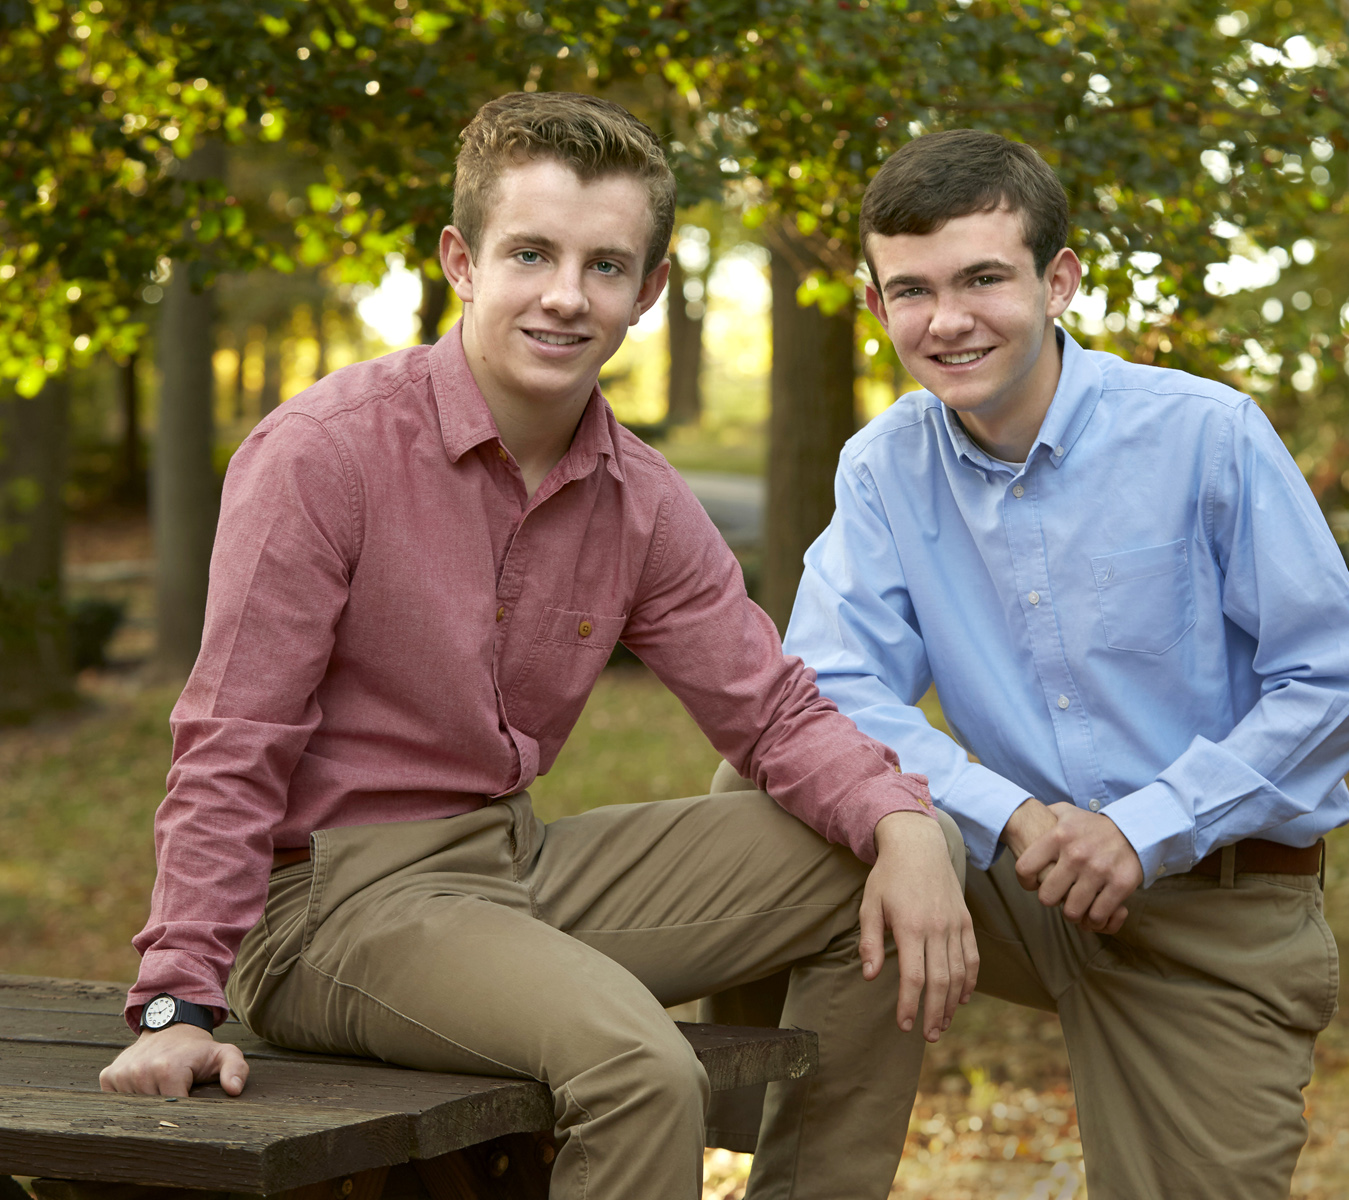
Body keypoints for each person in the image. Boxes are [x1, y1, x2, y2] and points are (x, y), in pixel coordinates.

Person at [99, 93, 979, 1200]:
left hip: (515, 867)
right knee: (640, 1071)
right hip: (330, 909)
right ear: (462, 261)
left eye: (605, 266)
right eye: (531, 253)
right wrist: (178, 1000)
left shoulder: (641, 501)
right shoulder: (324, 457)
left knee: (903, 846)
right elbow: (231, 738)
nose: (567, 295)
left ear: (647, 291)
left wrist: (901, 818)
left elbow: (769, 711)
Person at [774, 129, 1349, 1198]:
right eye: (911, 290)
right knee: (781, 792)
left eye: (981, 279)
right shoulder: (884, 466)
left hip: (1211, 911)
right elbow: (831, 687)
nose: (948, 320)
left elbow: (1335, 682)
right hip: (1015, 882)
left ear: (1057, 280)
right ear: (875, 308)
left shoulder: (1206, 435)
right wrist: (991, 816)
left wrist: (1146, 824)